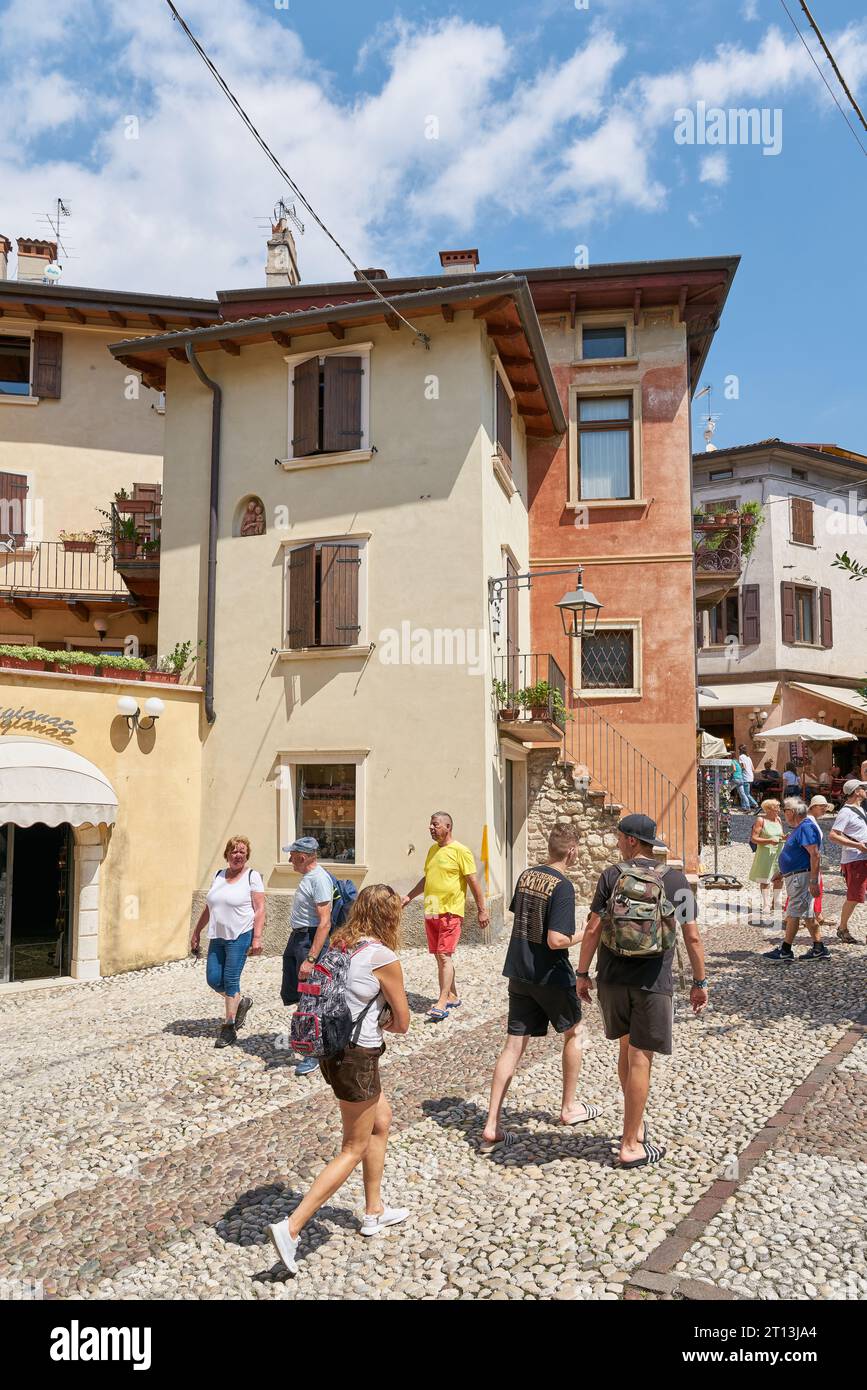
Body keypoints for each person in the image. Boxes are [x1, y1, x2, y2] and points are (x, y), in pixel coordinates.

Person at [268, 885, 411, 1275]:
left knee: (381, 1120)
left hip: (328, 1049)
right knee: (352, 1146)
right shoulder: (383, 956)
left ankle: (374, 1210)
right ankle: (292, 1228)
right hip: (357, 1057)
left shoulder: (340, 944)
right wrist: (383, 1018)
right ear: (390, 916)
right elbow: (402, 1022)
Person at [576, 814, 707, 1169]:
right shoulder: (675, 878)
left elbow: (591, 930)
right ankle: (631, 1142)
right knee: (640, 1057)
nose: (618, 842)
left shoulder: (611, 875)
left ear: (632, 841)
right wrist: (699, 982)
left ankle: (635, 1125)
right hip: (653, 980)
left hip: (613, 977)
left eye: (621, 837)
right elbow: (692, 936)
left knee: (627, 1048)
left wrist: (582, 973)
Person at [480, 824, 598, 1153]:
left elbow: (522, 917)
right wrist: (587, 933)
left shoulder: (527, 875)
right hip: (550, 975)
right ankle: (569, 1107)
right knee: (574, 1032)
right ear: (572, 851)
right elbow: (556, 939)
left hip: (519, 970)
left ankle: (492, 1124)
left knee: (513, 1046)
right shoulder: (563, 886)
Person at [401, 812, 489, 1021]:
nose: (431, 828)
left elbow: (473, 882)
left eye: (435, 824)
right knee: (440, 957)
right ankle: (452, 995)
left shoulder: (460, 851)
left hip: (450, 911)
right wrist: (409, 896)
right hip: (431, 909)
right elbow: (427, 879)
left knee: (444, 955)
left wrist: (482, 909)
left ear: (448, 826)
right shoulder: (433, 850)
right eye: (430, 824)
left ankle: (442, 1001)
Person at [191, 835, 264, 1048]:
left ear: (247, 855)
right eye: (234, 851)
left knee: (231, 979)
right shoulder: (218, 875)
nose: (237, 855)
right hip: (218, 935)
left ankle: (229, 1027)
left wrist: (257, 938)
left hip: (240, 935)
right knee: (214, 979)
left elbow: (260, 908)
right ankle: (240, 1002)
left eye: (242, 851)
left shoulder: (251, 876)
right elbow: (209, 906)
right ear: (227, 855)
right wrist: (197, 931)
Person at [281, 836, 335, 1076]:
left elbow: (325, 923)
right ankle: (312, 1042)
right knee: (298, 994)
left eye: (292, 855)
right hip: (299, 938)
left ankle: (312, 1053)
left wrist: (311, 959)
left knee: (310, 999)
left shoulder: (319, 879)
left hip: (309, 941)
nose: (290, 859)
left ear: (302, 857)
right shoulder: (309, 877)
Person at [764, 799, 828, 961]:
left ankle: (786, 950)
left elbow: (814, 854)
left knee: (793, 913)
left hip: (801, 877)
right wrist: (782, 871)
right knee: (807, 914)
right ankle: (819, 947)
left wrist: (814, 881)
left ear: (791, 812)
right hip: (796, 875)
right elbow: (798, 854)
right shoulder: (800, 828)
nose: (782, 813)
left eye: (784, 810)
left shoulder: (805, 827)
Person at [828, 780, 867, 944]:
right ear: (857, 791)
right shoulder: (845, 812)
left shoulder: (860, 809)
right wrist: (857, 845)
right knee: (854, 897)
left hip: (863, 858)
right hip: (855, 859)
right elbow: (833, 835)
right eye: (863, 788)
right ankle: (842, 928)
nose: (866, 790)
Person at [748, 799, 784, 924]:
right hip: (765, 854)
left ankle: (776, 902)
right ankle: (766, 904)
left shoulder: (778, 819)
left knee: (779, 878)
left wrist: (784, 837)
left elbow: (779, 834)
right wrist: (769, 841)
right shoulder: (760, 820)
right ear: (769, 809)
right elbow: (754, 838)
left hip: (778, 853)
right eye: (777, 808)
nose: (779, 810)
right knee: (765, 879)